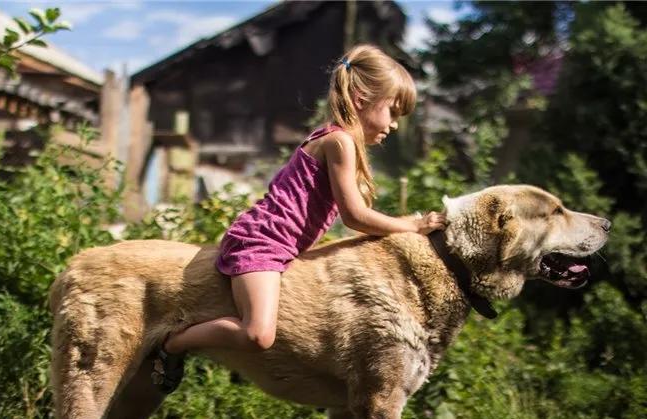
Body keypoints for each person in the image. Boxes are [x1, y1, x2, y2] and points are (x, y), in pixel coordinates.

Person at [151, 44, 446, 391]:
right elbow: (355, 216)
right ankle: (172, 344)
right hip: (261, 243)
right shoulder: (339, 142)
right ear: (361, 98)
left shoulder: (336, 138)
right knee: (257, 333)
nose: (394, 125)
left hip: (279, 245)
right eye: (393, 111)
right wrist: (411, 225)